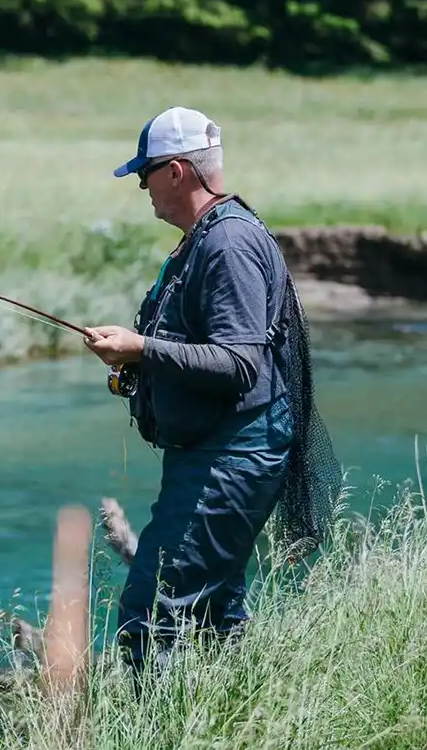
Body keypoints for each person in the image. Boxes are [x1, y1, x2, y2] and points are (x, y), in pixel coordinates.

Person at [82, 105, 297, 673]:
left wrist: (141, 348)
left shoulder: (228, 245)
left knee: (149, 616)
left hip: (231, 456)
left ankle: (153, 720)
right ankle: (235, 712)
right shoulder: (206, 238)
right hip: (213, 452)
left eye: (145, 173)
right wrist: (139, 364)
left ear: (176, 171)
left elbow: (239, 362)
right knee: (213, 619)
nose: (141, 187)